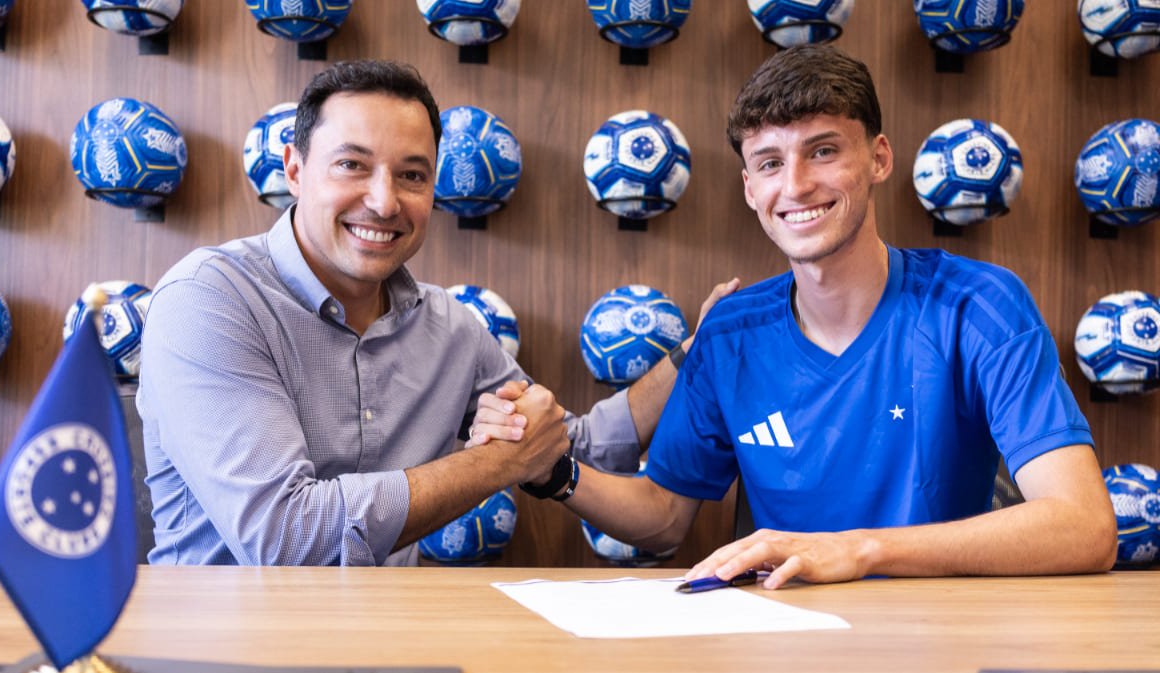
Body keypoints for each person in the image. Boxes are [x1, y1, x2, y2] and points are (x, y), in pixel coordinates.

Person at [470, 44, 1117, 588]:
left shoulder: (979, 305)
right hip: (776, 638)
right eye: (771, 163)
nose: (797, 184)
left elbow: (1084, 525)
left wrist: (861, 550)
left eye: (824, 150)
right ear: (750, 187)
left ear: (880, 159)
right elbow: (663, 514)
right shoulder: (729, 332)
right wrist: (553, 468)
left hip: (935, 636)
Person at [137, 59, 737, 566]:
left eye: (412, 175)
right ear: (295, 170)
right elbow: (285, 536)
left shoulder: (448, 327)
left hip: (393, 645)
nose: (383, 200)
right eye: (352, 164)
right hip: (220, 654)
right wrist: (496, 464)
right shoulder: (208, 299)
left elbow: (567, 444)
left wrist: (695, 352)